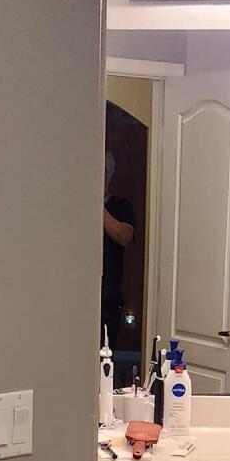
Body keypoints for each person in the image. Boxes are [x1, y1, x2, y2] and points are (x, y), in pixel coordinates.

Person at [102, 148, 135, 354]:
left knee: (105, 358)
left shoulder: (122, 206)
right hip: (77, 296)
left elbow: (124, 237)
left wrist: (99, 208)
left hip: (109, 299)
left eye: (104, 170)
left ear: (111, 175)